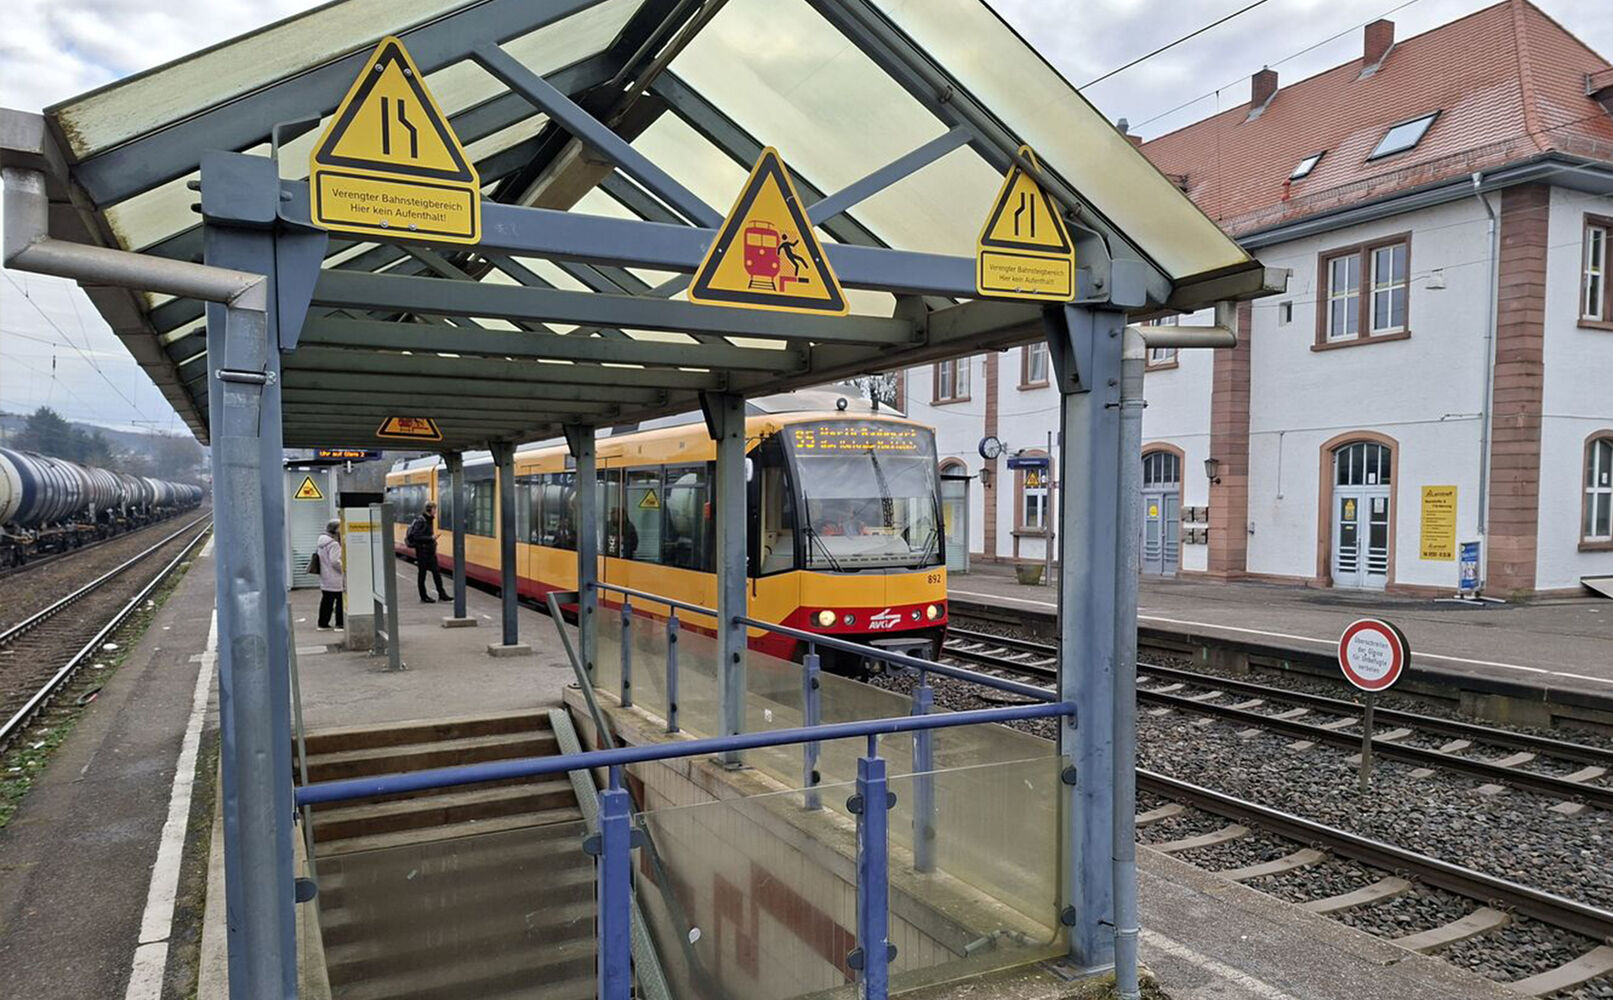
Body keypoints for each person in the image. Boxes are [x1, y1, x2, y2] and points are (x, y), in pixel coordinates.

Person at [406, 501, 452, 603]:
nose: (435, 511)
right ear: (429, 510)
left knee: (436, 573)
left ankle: (442, 594)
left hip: (430, 551)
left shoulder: (429, 520)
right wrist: (431, 538)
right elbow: (416, 536)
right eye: (434, 509)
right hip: (422, 552)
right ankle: (423, 596)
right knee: (422, 574)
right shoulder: (421, 521)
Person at [315, 519, 345, 631]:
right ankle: (340, 624)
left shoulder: (322, 541)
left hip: (325, 576)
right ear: (336, 529)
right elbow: (335, 561)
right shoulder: (334, 544)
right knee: (340, 600)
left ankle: (322, 623)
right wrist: (343, 569)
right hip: (335, 577)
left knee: (326, 601)